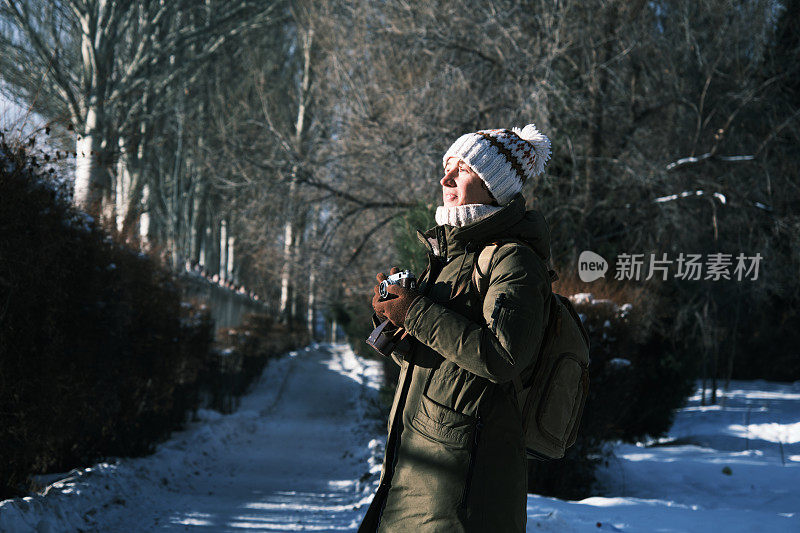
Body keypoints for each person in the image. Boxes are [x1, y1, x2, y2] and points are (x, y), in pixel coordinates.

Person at [358, 124, 555, 532]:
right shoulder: (450, 255)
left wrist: (416, 313)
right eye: (447, 167)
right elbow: (442, 365)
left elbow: (502, 357)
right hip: (419, 462)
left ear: (494, 186)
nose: (446, 179)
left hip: (464, 480)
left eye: (462, 170)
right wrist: (393, 320)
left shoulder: (514, 261)